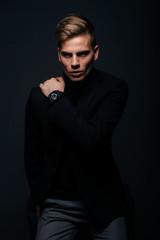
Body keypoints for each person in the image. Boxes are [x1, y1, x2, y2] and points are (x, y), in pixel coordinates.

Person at [24, 13, 129, 240]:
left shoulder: (114, 89)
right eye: (67, 54)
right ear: (58, 55)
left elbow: (89, 139)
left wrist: (57, 97)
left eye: (82, 54)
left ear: (95, 53)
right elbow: (33, 154)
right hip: (58, 205)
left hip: (104, 202)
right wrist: (38, 198)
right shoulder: (37, 97)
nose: (74, 63)